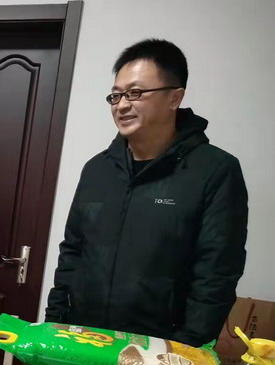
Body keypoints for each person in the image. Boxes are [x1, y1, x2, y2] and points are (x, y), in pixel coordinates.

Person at [46, 39, 248, 348]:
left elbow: (217, 273)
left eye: (135, 93)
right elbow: (72, 252)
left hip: (161, 352)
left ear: (174, 97)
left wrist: (184, 348)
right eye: (116, 95)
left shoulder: (215, 171)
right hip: (83, 342)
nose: (122, 105)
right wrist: (55, 324)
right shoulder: (97, 169)